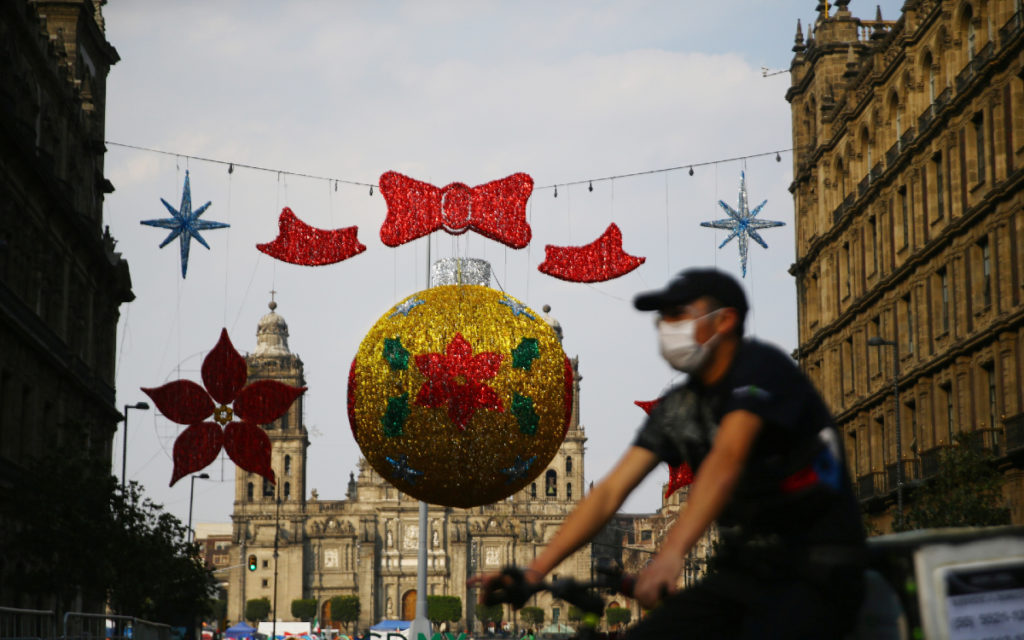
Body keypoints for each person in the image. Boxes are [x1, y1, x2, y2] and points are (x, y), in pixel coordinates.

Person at [472, 268, 866, 639]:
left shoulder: (761, 370)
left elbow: (727, 461)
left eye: (679, 315)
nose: (666, 327)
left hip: (816, 565)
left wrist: (671, 553)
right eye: (664, 318)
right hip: (742, 572)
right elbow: (609, 493)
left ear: (724, 321)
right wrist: (533, 571)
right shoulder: (678, 407)